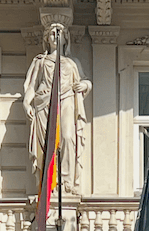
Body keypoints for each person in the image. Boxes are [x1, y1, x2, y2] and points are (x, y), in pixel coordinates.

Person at [23, 22, 92, 195]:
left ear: (65, 38)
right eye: (52, 33)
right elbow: (32, 86)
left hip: (67, 100)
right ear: (47, 38)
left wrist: (84, 85)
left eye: (59, 32)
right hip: (43, 104)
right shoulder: (40, 61)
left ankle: (66, 182)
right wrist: (26, 102)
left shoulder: (72, 62)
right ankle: (48, 182)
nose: (55, 35)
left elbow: (84, 80)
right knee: (46, 145)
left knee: (68, 138)